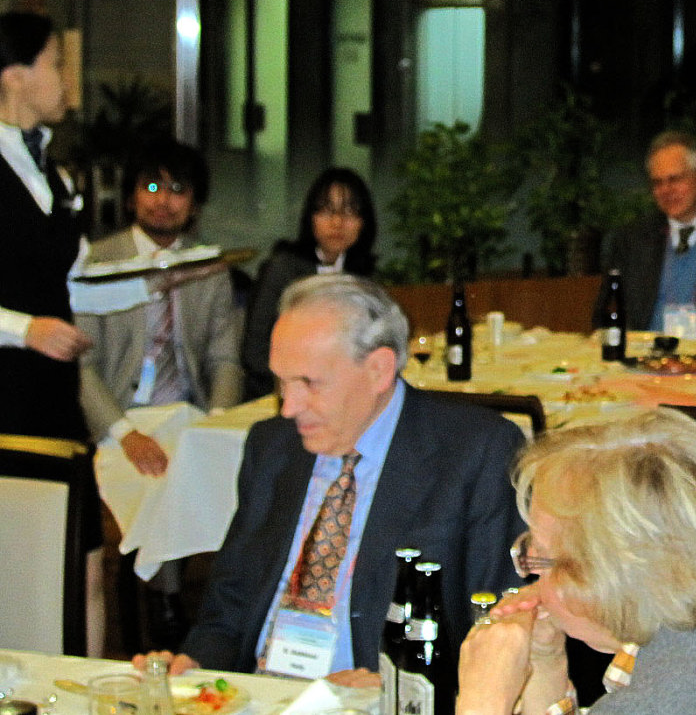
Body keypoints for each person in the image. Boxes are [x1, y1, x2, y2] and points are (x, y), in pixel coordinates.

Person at [139, 274, 524, 683]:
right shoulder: (272, 447)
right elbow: (229, 604)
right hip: (261, 694)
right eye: (281, 381)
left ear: (378, 370)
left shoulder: (475, 452)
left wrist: (396, 688)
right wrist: (196, 667)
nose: (288, 407)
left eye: (309, 383)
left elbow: (497, 624)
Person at [454, 407, 696, 715]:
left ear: (596, 579)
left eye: (537, 557)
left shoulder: (656, 701)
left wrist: (482, 701)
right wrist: (546, 663)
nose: (529, 575)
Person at [76, 138, 243, 647]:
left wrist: (218, 422)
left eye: (177, 189)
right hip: (116, 420)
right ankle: (164, 604)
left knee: (218, 470)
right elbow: (80, 365)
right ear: (130, 196)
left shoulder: (208, 266)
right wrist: (124, 434)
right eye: (151, 186)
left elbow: (225, 358)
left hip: (189, 414)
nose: (162, 200)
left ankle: (200, 612)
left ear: (194, 203)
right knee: (159, 480)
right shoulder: (97, 261)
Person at [0, 10, 101, 653]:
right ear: (13, 75)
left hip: (55, 397)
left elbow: (75, 284)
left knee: (83, 565)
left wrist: (158, 280)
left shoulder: (55, 175)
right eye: (56, 64)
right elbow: (35, 316)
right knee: (17, 572)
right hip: (4, 396)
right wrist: (22, 329)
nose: (68, 79)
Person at [591, 131, 696, 340]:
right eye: (657, 183)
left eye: (675, 179)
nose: (666, 190)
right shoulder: (631, 240)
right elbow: (605, 314)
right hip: (642, 354)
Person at [242, 167, 377, 397]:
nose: (337, 222)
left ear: (364, 222)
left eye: (349, 211)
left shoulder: (365, 276)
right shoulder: (283, 269)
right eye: (326, 210)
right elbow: (254, 352)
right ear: (310, 218)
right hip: (280, 393)